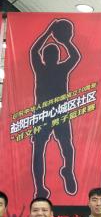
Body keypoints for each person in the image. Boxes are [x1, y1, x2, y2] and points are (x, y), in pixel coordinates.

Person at [30, 19, 81, 197]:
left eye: (53, 54)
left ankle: (65, 171)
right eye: (50, 54)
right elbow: (75, 56)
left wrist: (53, 34)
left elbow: (34, 50)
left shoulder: (47, 68)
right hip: (46, 114)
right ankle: (41, 186)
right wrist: (64, 41)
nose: (52, 57)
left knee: (58, 146)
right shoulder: (53, 69)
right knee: (59, 146)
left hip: (54, 113)